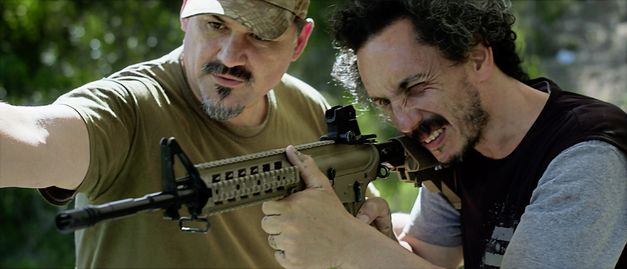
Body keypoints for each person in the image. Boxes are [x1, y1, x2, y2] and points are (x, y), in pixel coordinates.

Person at [260, 0, 627, 268]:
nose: (404, 123)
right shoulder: (461, 140)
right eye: (385, 103)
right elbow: (425, 256)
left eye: (415, 87)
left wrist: (349, 244)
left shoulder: (588, 155)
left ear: (477, 58)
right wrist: (375, 240)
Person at [0, 0, 330, 267]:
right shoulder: (130, 109)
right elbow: (37, 136)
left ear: (298, 42)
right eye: (216, 24)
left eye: (258, 35)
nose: (229, 56)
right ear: (186, 13)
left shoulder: (309, 110)